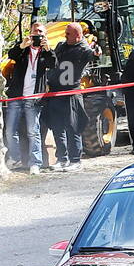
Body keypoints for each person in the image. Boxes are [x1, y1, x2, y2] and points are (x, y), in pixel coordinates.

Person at [43, 23, 95, 171]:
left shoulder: (83, 49)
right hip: (55, 92)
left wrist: (96, 51)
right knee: (57, 127)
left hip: (71, 93)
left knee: (73, 127)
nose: (65, 36)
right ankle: (62, 158)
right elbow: (53, 62)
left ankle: (75, 160)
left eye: (68, 34)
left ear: (78, 35)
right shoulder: (61, 46)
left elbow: (91, 54)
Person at [5, 24, 55, 174]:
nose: (37, 35)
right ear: (30, 33)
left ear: (45, 35)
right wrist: (21, 45)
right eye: (35, 32)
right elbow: (11, 55)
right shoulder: (23, 48)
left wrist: (48, 49)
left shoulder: (45, 52)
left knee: (33, 131)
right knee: (10, 130)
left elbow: (54, 64)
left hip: (34, 98)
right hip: (16, 96)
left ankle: (35, 162)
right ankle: (15, 158)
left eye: (40, 32)